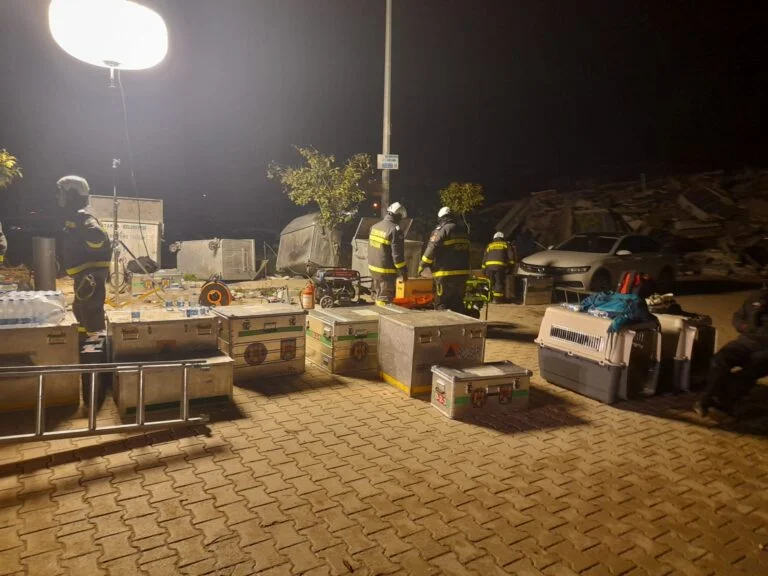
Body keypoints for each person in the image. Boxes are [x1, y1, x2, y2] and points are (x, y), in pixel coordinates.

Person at [694, 287, 768, 417]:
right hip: (745, 341)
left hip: (765, 347)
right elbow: (738, 316)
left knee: (750, 371)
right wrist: (744, 326)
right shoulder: (757, 297)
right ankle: (705, 399)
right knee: (719, 360)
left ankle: (725, 402)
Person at [56, 175, 112, 334]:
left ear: (72, 195)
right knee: (81, 308)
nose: (58, 196)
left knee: (90, 309)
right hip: (85, 273)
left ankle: (95, 341)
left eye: (61, 192)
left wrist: (87, 255)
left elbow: (97, 236)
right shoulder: (77, 216)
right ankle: (83, 338)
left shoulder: (84, 217)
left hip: (90, 274)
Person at [418, 206, 471, 314]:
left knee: (442, 304)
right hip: (462, 275)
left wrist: (422, 264)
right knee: (457, 304)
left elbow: (432, 248)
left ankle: (443, 324)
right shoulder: (463, 231)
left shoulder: (442, 230)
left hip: (445, 275)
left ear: (441, 218)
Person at [368, 201, 407, 304]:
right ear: (398, 216)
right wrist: (403, 271)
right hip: (386, 271)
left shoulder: (375, 226)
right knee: (384, 299)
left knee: (377, 295)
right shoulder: (395, 230)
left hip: (373, 269)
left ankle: (376, 310)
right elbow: (397, 256)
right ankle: (382, 313)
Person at [481, 231, 516, 303]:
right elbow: (511, 256)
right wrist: (511, 266)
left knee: (490, 282)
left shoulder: (490, 245)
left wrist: (483, 268)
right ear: (502, 238)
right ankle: (497, 299)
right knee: (499, 282)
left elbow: (485, 257)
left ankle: (489, 298)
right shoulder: (505, 244)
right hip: (499, 266)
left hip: (489, 267)